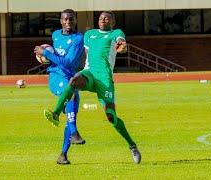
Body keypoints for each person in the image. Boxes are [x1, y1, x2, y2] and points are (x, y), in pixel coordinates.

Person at [43, 11, 141, 164]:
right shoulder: (89, 34)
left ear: (112, 22)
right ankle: (55, 113)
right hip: (89, 73)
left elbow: (121, 44)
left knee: (111, 117)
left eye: (107, 18)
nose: (103, 20)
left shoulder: (116, 32)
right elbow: (88, 54)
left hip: (104, 78)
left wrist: (122, 48)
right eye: (101, 18)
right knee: (74, 81)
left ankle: (132, 145)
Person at [34, 9, 85, 165]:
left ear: (75, 20)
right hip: (56, 77)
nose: (68, 22)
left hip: (71, 78)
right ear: (61, 21)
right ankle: (75, 133)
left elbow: (68, 62)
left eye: (71, 19)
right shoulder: (55, 35)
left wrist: (46, 54)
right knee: (72, 96)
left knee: (71, 116)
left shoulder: (78, 38)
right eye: (66, 19)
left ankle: (63, 155)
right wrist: (44, 54)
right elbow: (54, 58)